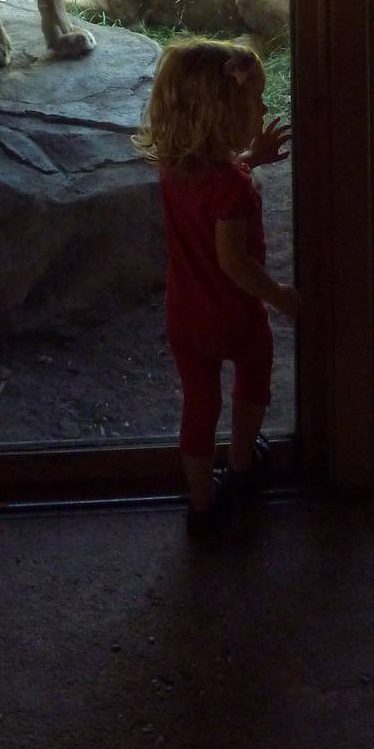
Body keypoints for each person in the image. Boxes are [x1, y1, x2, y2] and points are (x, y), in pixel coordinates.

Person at [133, 37, 300, 536]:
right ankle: (243, 462)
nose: (265, 107)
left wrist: (251, 156)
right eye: (255, 102)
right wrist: (278, 295)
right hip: (234, 314)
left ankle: (203, 506)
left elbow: (211, 177)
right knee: (252, 373)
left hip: (185, 312)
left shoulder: (174, 166)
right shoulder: (234, 188)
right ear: (221, 116)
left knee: (199, 403)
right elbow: (234, 261)